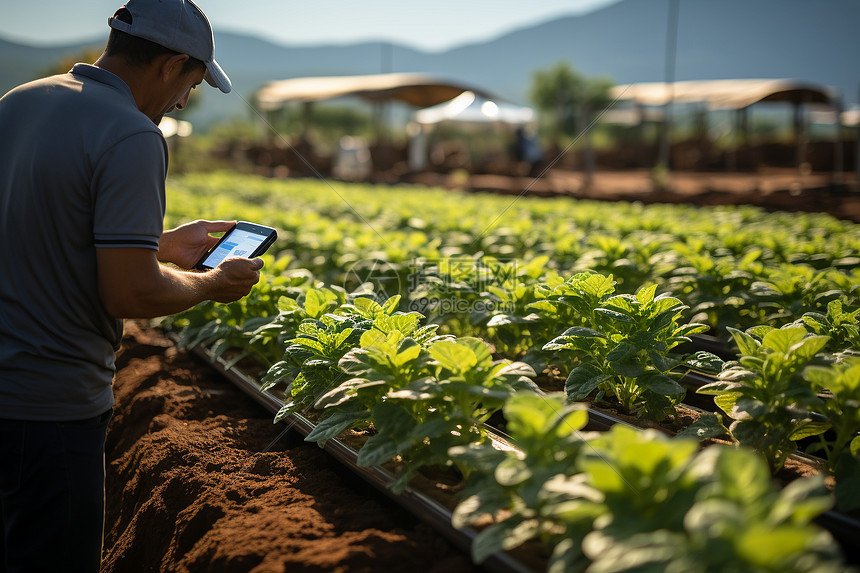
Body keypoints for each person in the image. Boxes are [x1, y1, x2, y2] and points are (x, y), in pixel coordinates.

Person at [0, 1, 263, 571]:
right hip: (47, 408)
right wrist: (212, 283)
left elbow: (31, 225)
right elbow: (132, 294)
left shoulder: (19, 102)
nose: (182, 102)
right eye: (191, 84)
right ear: (171, 65)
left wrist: (157, 243)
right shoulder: (132, 134)